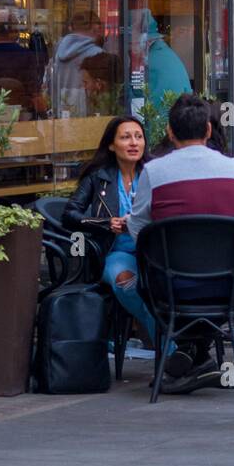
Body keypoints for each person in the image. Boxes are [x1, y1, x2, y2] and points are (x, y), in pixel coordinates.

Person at [128, 95, 234, 394]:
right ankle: (198, 355)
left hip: (173, 283)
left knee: (144, 279)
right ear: (207, 130)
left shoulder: (154, 172)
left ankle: (192, 350)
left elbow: (138, 225)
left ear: (169, 132)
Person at [64, 116, 156, 349]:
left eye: (138, 136)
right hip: (113, 253)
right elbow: (70, 214)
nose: (133, 143)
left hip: (153, 252)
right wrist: (105, 223)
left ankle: (180, 347)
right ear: (111, 145)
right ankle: (172, 350)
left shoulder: (154, 173)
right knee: (125, 280)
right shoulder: (99, 177)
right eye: (125, 137)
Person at [45, 11, 104, 118]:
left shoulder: (57, 51)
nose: (101, 32)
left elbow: (50, 84)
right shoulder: (97, 53)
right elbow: (103, 93)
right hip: (89, 116)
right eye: (99, 27)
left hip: (60, 113)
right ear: (93, 28)